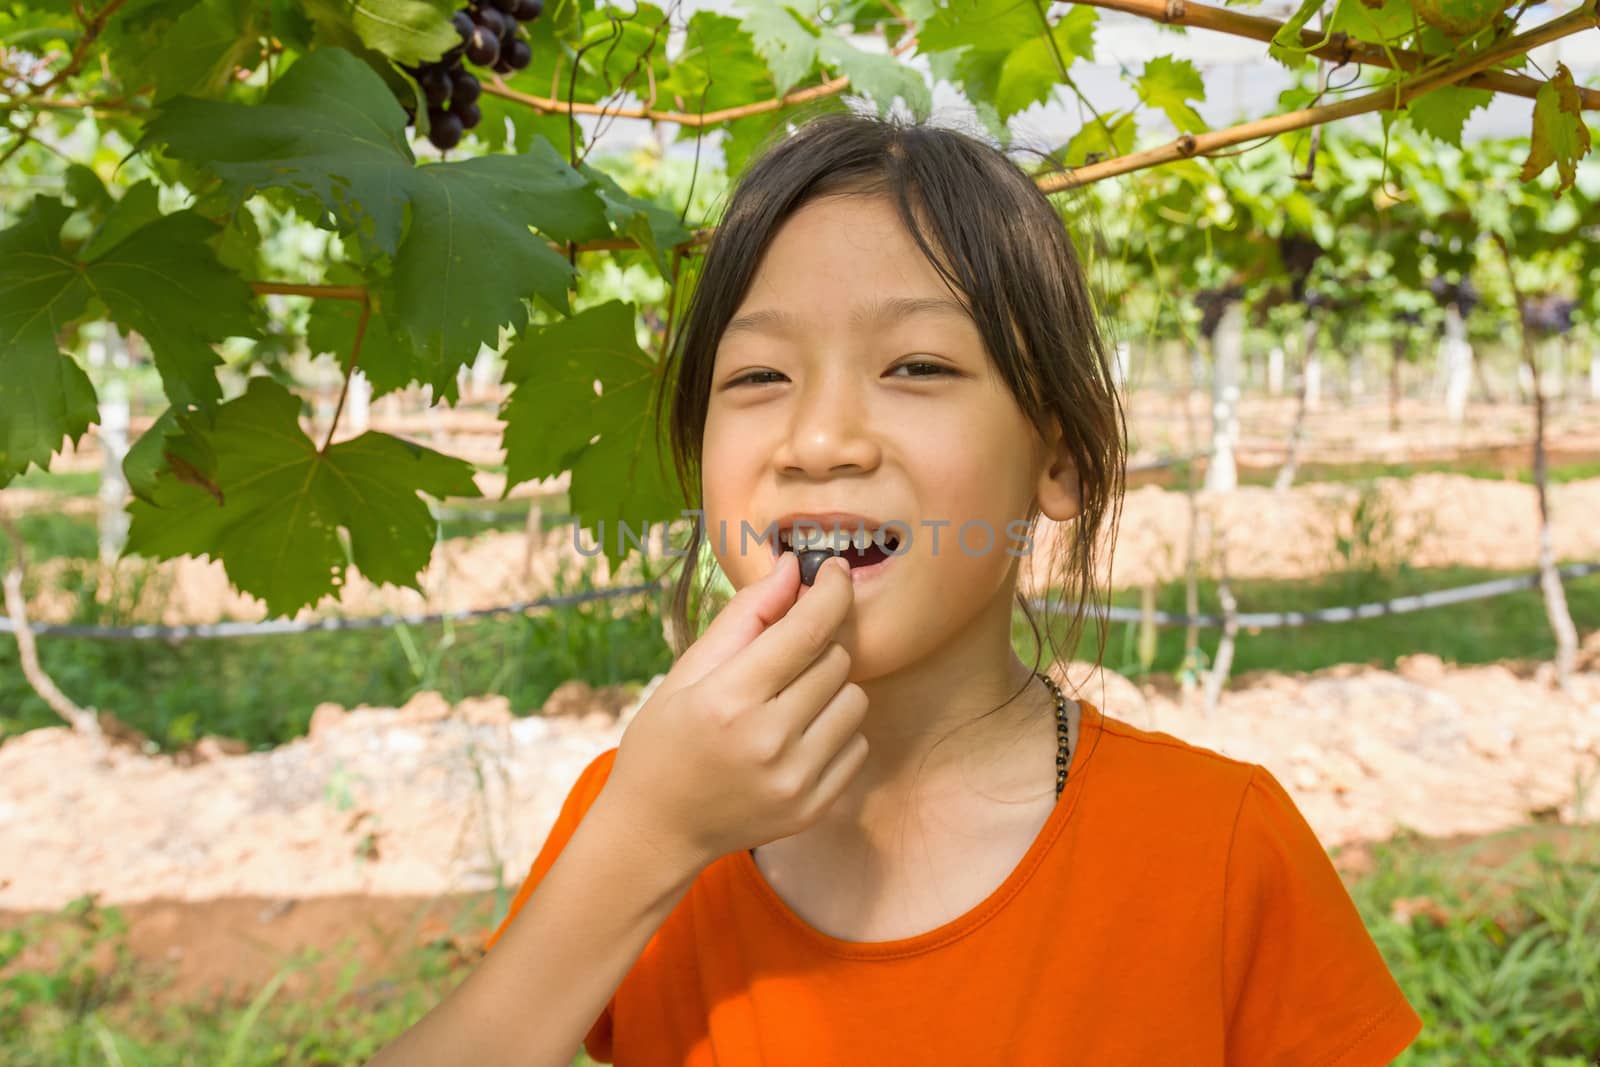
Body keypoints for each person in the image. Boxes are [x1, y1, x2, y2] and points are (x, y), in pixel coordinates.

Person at [370, 110, 1423, 1066]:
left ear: (1056, 457)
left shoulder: (1222, 844)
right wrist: (647, 839)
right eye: (757, 377)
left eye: (916, 366)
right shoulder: (637, 808)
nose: (818, 439)